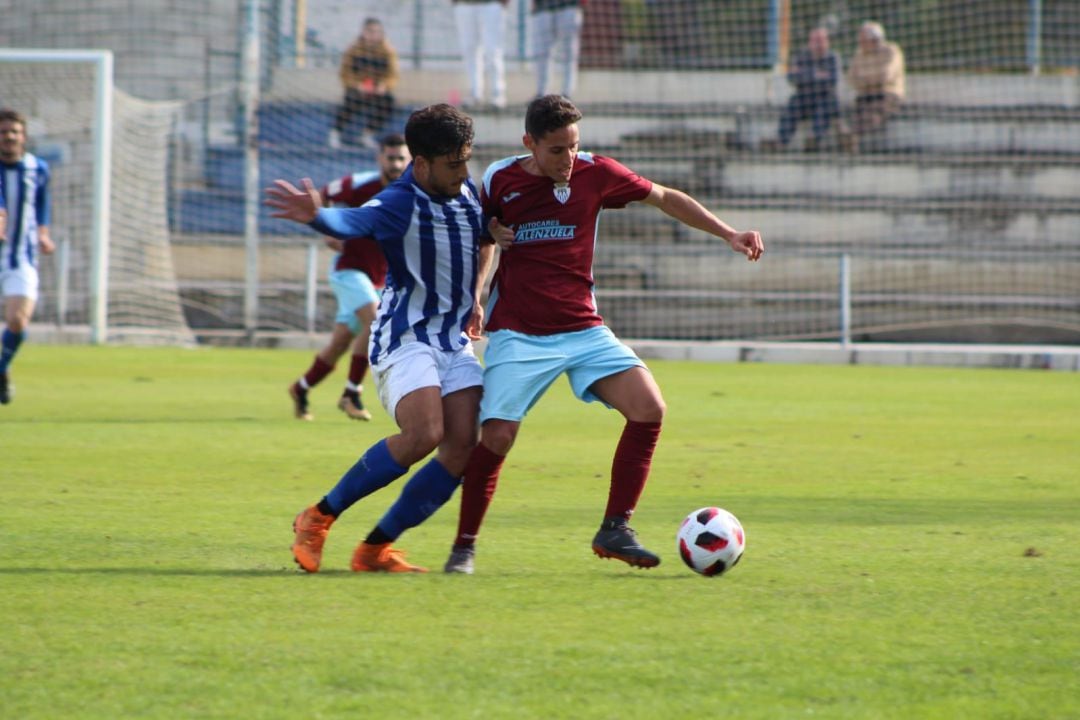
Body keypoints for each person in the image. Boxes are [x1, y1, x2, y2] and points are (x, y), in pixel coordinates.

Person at [444, 95, 764, 574]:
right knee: (498, 437)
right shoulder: (501, 178)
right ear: (529, 143)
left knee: (649, 408)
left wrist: (728, 234)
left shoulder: (597, 173)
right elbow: (482, 234)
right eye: (557, 150)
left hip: (582, 327)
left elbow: (664, 197)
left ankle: (615, 527)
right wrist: (477, 290)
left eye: (574, 147)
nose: (569, 159)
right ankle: (464, 547)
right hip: (520, 333)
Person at [266, 104, 506, 573]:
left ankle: (375, 548)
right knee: (424, 434)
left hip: (453, 341)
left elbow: (486, 240)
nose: (463, 172)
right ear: (421, 164)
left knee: (462, 446)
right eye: (453, 164)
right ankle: (317, 517)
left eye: (466, 160)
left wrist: (476, 296)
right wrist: (319, 218)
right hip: (405, 336)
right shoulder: (401, 201)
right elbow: (354, 221)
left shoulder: (468, 195)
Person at [287, 133, 411, 422]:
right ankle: (351, 394)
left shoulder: (409, 192)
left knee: (341, 342)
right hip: (349, 271)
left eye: (401, 158)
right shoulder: (358, 184)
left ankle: (301, 388)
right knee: (376, 321)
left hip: (380, 279)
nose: (396, 163)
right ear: (380, 157)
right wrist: (328, 232)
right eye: (391, 158)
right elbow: (319, 196)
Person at [0, 109, 55, 406]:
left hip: (20, 255)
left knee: (17, 321)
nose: (9, 137)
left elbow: (42, 205)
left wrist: (44, 234)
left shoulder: (38, 169)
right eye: (3, 132)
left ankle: (1, 368)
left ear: (23, 136)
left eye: (14, 132)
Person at [329, 17, 399, 150]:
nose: (373, 35)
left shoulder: (388, 52)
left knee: (388, 102)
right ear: (363, 32)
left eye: (376, 32)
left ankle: (367, 134)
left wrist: (384, 86)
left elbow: (393, 75)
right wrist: (357, 85)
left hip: (377, 90)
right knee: (351, 100)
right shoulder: (353, 50)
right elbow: (345, 73)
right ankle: (335, 132)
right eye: (370, 31)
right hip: (358, 88)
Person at [776, 28, 840, 152]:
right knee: (792, 106)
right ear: (809, 42)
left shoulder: (832, 57)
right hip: (804, 97)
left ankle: (814, 140)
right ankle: (781, 142)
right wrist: (816, 75)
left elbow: (832, 80)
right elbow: (792, 77)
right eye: (815, 40)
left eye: (821, 40)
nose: (818, 44)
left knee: (825, 106)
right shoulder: (801, 56)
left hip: (825, 96)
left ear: (827, 42)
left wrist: (806, 75)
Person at [845, 21, 905, 151]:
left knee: (873, 113)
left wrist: (865, 80)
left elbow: (886, 75)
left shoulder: (891, 51)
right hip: (866, 95)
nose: (861, 43)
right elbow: (851, 78)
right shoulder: (859, 54)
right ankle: (852, 140)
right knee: (855, 111)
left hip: (888, 94)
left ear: (874, 39)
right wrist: (871, 80)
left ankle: (857, 141)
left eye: (864, 40)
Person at [452, 0, 508, 110]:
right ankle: (475, 93)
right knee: (469, 48)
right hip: (464, 4)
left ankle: (497, 92)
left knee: (492, 49)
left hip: (492, 4)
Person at [532, 0, 585, 99]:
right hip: (543, 8)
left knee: (569, 52)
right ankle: (542, 92)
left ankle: (567, 93)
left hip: (569, 6)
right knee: (542, 53)